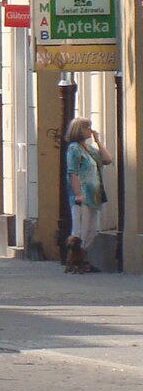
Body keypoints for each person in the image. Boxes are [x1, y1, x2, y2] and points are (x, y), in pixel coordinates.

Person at [65, 117, 112, 274]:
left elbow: (107, 159)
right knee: (80, 230)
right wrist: (77, 194)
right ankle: (74, 261)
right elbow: (73, 172)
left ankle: (81, 259)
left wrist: (98, 141)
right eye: (87, 127)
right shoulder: (74, 149)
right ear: (79, 130)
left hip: (94, 195)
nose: (90, 130)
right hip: (83, 196)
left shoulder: (90, 149)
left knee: (92, 229)